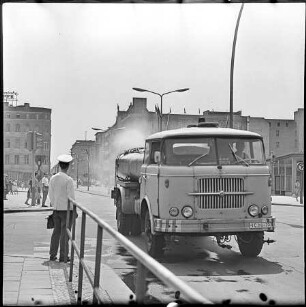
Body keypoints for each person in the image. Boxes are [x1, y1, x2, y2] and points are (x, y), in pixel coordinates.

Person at [49, 154, 75, 262]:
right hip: (66, 211)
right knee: (65, 234)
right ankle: (63, 256)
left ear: (59, 165)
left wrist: (54, 204)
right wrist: (73, 210)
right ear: (68, 166)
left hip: (56, 210)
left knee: (56, 232)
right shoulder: (69, 180)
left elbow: (50, 194)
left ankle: (52, 254)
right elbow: (71, 198)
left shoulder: (53, 178)